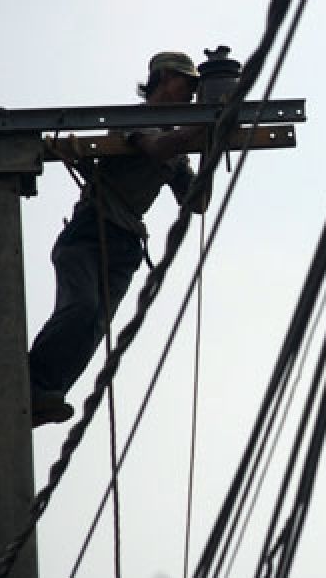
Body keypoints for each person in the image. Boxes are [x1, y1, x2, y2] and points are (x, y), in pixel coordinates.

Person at [29, 51, 212, 427]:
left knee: (96, 324)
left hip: (125, 246)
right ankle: (28, 383)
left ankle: (48, 394)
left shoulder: (179, 146)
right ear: (162, 77)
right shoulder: (131, 120)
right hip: (89, 234)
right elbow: (158, 148)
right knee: (80, 308)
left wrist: (210, 143)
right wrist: (209, 126)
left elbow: (198, 202)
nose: (192, 95)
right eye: (187, 84)